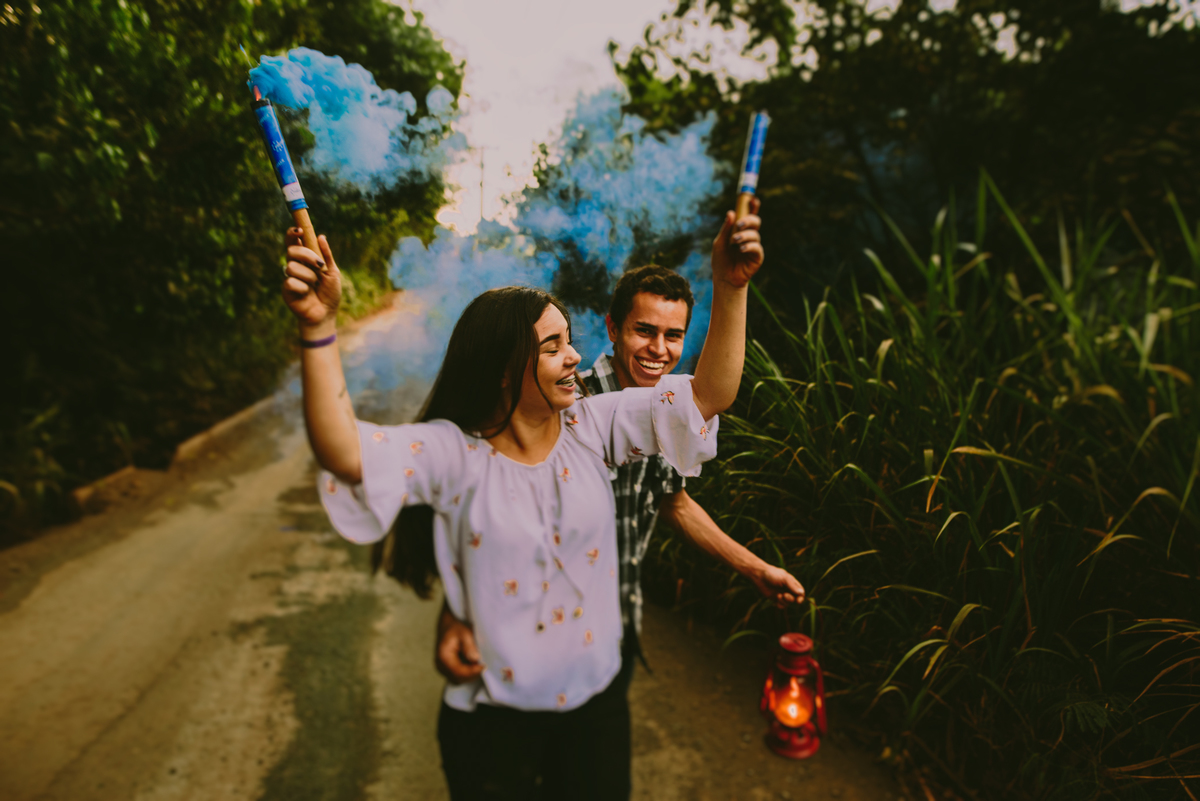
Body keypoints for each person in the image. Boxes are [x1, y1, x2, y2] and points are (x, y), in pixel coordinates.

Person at [279, 198, 763, 799]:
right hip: (492, 724)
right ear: (508, 366)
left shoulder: (595, 426)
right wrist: (317, 324)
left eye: (571, 342)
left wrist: (729, 286)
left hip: (595, 709)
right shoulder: (454, 455)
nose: (577, 358)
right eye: (555, 346)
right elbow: (343, 451)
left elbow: (708, 395)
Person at [436, 200, 805, 702]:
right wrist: (457, 612)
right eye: (644, 331)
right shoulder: (568, 405)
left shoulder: (664, 411)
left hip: (616, 623)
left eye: (673, 335)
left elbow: (674, 502)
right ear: (613, 329)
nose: (659, 349)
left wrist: (755, 568)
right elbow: (482, 510)